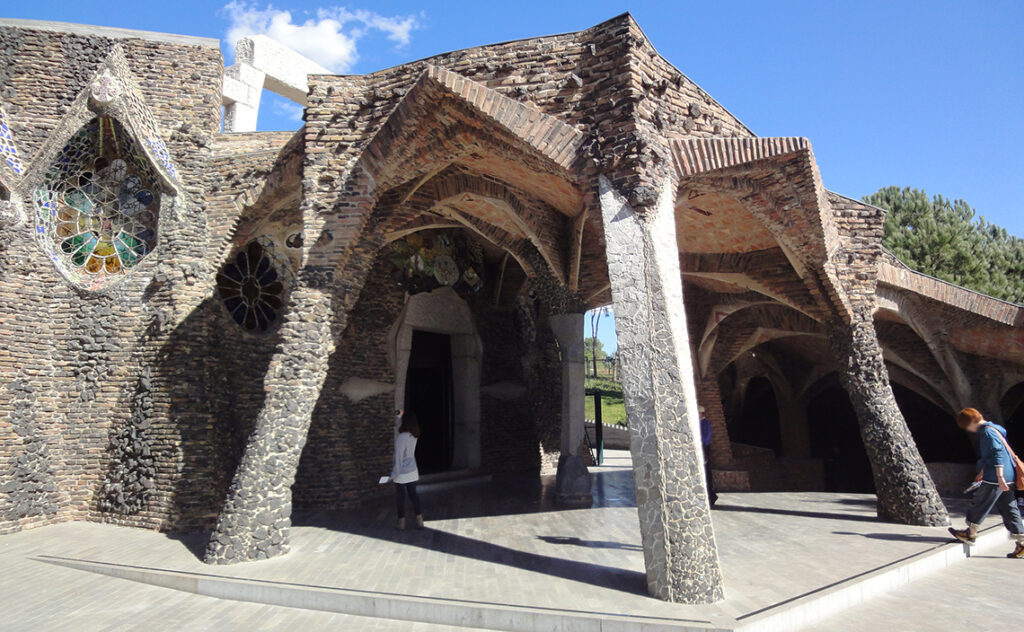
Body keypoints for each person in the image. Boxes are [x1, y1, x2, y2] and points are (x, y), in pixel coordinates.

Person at [948, 408, 1024, 559]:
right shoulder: (996, 429)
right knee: (1009, 508)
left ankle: (970, 533)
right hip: (1008, 474)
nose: (968, 430)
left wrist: (999, 476)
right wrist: (985, 471)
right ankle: (1022, 542)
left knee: (981, 502)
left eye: (966, 426)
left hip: (996, 477)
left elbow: (997, 454)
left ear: (971, 423)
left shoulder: (987, 433)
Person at [391, 409, 424, 530]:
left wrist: (395, 474)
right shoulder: (413, 435)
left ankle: (401, 522)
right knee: (413, 495)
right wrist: (400, 417)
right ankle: (419, 519)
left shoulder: (402, 437)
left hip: (402, 472)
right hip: (412, 470)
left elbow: (399, 458)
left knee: (400, 497)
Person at [699, 406, 718, 508]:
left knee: (706, 473)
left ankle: (711, 497)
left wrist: (699, 440)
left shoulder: (705, 424)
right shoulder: (699, 423)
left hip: (704, 449)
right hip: (701, 448)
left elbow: (707, 438)